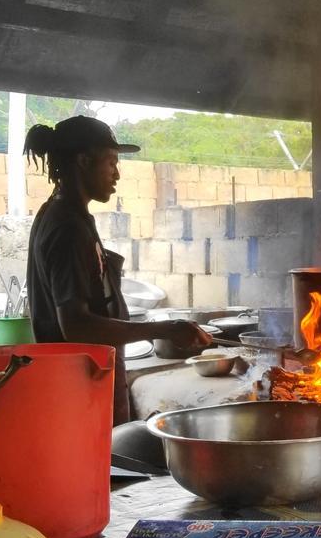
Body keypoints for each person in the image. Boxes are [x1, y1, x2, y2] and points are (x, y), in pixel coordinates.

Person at [23, 115, 210, 425]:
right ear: (83, 161)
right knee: (99, 469)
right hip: (79, 387)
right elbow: (76, 326)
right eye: (110, 162)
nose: (117, 174)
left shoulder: (61, 213)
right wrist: (163, 329)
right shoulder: (68, 227)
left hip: (84, 381)